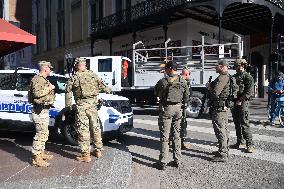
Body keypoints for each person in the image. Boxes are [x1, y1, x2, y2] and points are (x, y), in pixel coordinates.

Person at [65, 57, 111, 163]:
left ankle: (85, 155)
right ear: (85, 65)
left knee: (83, 129)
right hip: (93, 106)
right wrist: (109, 91)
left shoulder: (74, 77)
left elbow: (68, 92)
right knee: (95, 127)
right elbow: (104, 87)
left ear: (77, 65)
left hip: (81, 106)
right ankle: (98, 150)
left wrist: (68, 106)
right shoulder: (93, 74)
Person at [154, 61, 189, 170]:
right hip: (179, 109)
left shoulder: (163, 81)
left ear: (170, 68)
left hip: (167, 109)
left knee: (165, 136)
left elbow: (156, 92)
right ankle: (177, 160)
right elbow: (187, 96)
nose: (165, 70)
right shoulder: (182, 81)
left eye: (166, 68)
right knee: (177, 135)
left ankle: (163, 161)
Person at [29, 61, 55, 167]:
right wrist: (49, 88)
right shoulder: (37, 79)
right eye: (50, 68)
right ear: (45, 68)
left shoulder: (43, 79)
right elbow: (37, 93)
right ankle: (37, 158)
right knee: (40, 135)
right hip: (39, 111)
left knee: (44, 133)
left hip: (44, 110)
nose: (51, 70)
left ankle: (41, 153)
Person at [208, 60, 230, 162]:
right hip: (223, 107)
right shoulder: (225, 76)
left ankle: (222, 154)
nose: (215, 68)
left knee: (220, 130)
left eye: (216, 66)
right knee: (224, 129)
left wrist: (209, 88)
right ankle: (224, 149)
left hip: (219, 108)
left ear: (221, 66)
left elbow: (215, 93)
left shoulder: (222, 78)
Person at [230, 58, 255, 153]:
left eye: (237, 66)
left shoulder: (248, 77)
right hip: (235, 101)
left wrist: (240, 100)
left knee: (244, 123)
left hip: (243, 101)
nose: (235, 68)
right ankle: (240, 141)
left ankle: (250, 144)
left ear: (242, 66)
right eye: (235, 66)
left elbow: (249, 92)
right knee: (237, 123)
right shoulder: (235, 76)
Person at [180, 66, 192, 149]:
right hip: (181, 107)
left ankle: (172, 140)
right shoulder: (184, 82)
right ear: (186, 74)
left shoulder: (178, 80)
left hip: (178, 106)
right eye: (189, 74)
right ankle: (181, 143)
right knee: (182, 124)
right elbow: (187, 95)